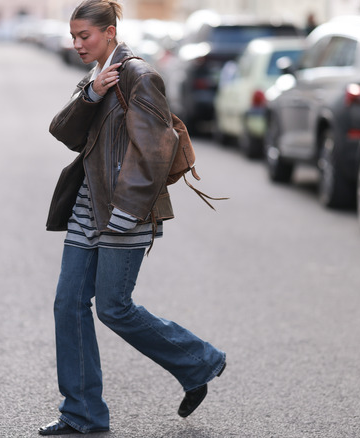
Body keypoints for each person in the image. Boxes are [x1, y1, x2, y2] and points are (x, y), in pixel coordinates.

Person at [40, 0, 226, 435]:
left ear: (109, 32)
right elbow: (64, 132)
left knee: (114, 308)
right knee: (68, 304)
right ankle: (82, 412)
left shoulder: (140, 76)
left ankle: (200, 360)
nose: (77, 44)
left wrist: (127, 213)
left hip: (126, 209)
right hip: (89, 205)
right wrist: (92, 94)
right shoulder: (96, 77)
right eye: (73, 36)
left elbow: (156, 152)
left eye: (85, 35)